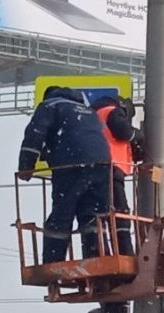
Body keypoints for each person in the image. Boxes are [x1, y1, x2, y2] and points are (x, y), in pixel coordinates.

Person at [18, 86, 112, 263]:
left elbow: (34, 135)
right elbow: (82, 136)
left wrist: (26, 166)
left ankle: (54, 261)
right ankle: (98, 257)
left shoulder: (49, 105)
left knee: (62, 213)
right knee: (92, 215)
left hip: (71, 163)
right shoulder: (89, 112)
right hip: (102, 164)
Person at [92, 95, 138, 255]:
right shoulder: (112, 111)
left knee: (100, 214)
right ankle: (125, 252)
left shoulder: (93, 115)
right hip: (112, 168)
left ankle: (101, 253)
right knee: (120, 213)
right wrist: (138, 136)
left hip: (94, 169)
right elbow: (122, 131)